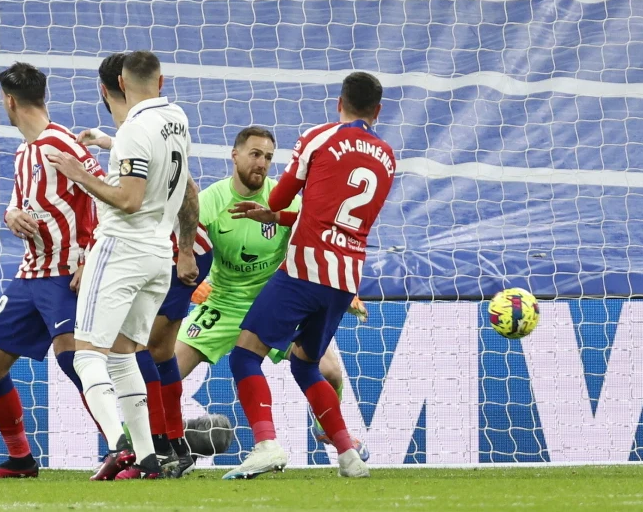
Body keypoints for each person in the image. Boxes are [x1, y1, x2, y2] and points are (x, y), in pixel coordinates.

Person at [224, 71, 393, 480]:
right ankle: (349, 456)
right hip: (345, 278)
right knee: (305, 365)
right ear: (378, 110)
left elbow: (281, 195)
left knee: (245, 356)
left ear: (340, 103)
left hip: (304, 269)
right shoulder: (387, 156)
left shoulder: (321, 136)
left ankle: (266, 445)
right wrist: (282, 217)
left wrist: (274, 210)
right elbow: (338, 215)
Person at [174, 126, 369, 472]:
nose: (261, 162)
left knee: (331, 373)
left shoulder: (286, 200)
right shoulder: (212, 200)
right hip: (225, 301)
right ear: (235, 155)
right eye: (254, 154)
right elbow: (182, 246)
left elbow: (318, 245)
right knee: (168, 370)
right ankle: (154, 443)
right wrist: (193, 285)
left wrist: (347, 290)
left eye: (267, 156)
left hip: (276, 299)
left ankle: (327, 429)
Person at [47, 50, 197, 480]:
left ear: (114, 85)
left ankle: (118, 443)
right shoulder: (176, 118)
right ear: (161, 82)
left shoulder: (133, 128)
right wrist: (106, 140)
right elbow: (179, 178)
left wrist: (79, 172)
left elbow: (129, 200)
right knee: (122, 353)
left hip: (122, 249)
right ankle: (149, 457)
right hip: (157, 253)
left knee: (85, 354)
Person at [0, 63, 103, 479]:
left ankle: (130, 450)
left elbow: (110, 196)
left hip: (66, 272)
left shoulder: (61, 144)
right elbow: (17, 202)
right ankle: (22, 460)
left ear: (9, 101)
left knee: (74, 362)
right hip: (31, 274)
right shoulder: (25, 152)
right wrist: (10, 215)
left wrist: (91, 256)